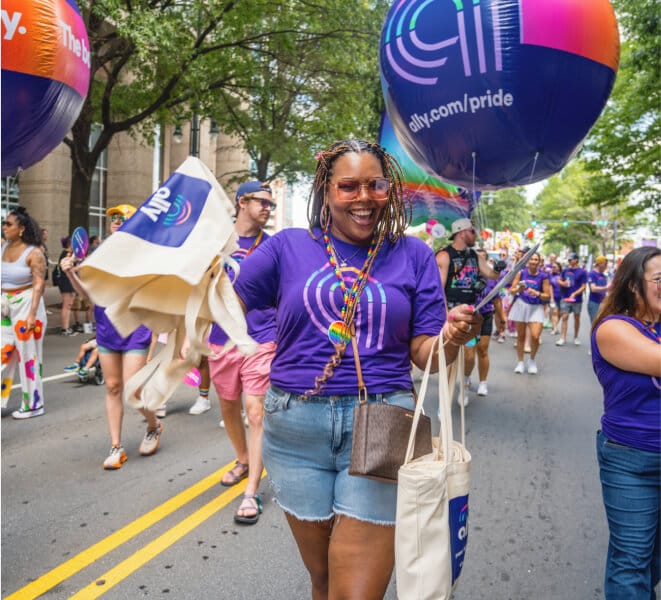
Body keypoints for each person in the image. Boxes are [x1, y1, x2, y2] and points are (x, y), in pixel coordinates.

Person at [231, 140, 481, 598]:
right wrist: (265, 341)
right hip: (295, 428)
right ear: (325, 191)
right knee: (323, 580)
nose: (364, 197)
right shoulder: (287, 247)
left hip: (385, 423)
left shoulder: (414, 255)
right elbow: (227, 301)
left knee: (356, 592)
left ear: (390, 190)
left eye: (376, 185)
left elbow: (424, 354)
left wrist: (450, 337)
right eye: (349, 186)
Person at [61, 204, 160, 470]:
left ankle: (153, 425)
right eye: (112, 218)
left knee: (131, 388)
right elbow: (88, 295)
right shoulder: (97, 256)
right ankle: (116, 447)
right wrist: (71, 271)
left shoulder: (143, 256)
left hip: (134, 327)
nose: (115, 221)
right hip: (106, 328)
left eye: (121, 217)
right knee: (113, 387)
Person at [591, 246, 660, 599]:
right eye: (659, 278)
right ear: (634, 285)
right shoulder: (613, 329)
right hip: (631, 460)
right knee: (632, 560)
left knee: (652, 563)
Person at [208, 180, 277, 525]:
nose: (267, 207)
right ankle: (242, 458)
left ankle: (251, 492)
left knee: (256, 411)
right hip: (221, 337)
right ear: (242, 202)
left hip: (262, 336)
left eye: (271, 204)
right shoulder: (215, 241)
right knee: (228, 404)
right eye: (262, 202)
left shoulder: (272, 246)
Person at [436, 218, 505, 399]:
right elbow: (438, 288)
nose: (475, 234)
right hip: (451, 311)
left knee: (468, 353)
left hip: (470, 311)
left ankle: (465, 382)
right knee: (449, 354)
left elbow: (490, 274)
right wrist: (444, 315)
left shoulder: (475, 255)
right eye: (472, 231)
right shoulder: (444, 256)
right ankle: (446, 395)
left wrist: (498, 268)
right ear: (461, 232)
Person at [1, 207, 48, 418]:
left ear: (21, 229)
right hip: (5, 305)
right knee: (3, 352)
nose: (4, 227)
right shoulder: (2, 247)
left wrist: (31, 315)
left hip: (28, 304)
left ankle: (34, 404)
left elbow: (39, 284)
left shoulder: (34, 253)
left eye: (8, 224)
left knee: (28, 356)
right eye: (4, 223)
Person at [465, 248, 502, 397]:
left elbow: (497, 300)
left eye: (483, 258)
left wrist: (502, 320)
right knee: (468, 353)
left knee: (482, 349)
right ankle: (466, 379)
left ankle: (483, 382)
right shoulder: (465, 276)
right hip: (469, 319)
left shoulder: (492, 279)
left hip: (486, 316)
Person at [508, 251, 551, 374]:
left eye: (536, 259)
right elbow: (512, 290)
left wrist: (537, 293)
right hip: (521, 305)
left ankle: (532, 360)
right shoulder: (521, 273)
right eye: (531, 259)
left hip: (536, 307)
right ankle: (520, 362)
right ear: (527, 261)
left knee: (535, 336)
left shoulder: (543, 276)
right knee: (520, 336)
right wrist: (519, 289)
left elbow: (547, 296)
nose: (533, 261)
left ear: (539, 262)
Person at [556, 251, 587, 346]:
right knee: (564, 317)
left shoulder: (582, 272)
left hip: (577, 299)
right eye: (568, 259)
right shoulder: (565, 270)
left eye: (571, 259)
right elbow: (559, 280)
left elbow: (583, 286)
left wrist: (575, 293)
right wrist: (563, 283)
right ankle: (562, 338)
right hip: (565, 297)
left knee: (576, 318)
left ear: (576, 260)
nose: (569, 261)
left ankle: (576, 337)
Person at [55, 237, 78, 336]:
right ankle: (65, 328)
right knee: (67, 305)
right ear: (69, 244)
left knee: (68, 305)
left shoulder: (67, 254)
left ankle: (66, 327)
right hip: (66, 282)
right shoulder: (67, 254)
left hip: (67, 282)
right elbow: (70, 269)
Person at [587, 256, 610, 323]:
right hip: (594, 303)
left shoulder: (603, 275)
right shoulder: (592, 274)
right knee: (595, 323)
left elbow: (606, 290)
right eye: (605, 264)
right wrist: (606, 287)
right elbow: (593, 288)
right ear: (600, 264)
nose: (606, 266)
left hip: (602, 303)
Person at [548, 261, 563, 334]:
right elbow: (550, 287)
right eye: (552, 267)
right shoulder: (550, 275)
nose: (553, 268)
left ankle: (555, 325)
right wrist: (551, 298)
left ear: (559, 268)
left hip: (562, 297)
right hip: (554, 297)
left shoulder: (562, 275)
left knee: (560, 314)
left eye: (554, 267)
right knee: (555, 312)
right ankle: (555, 328)